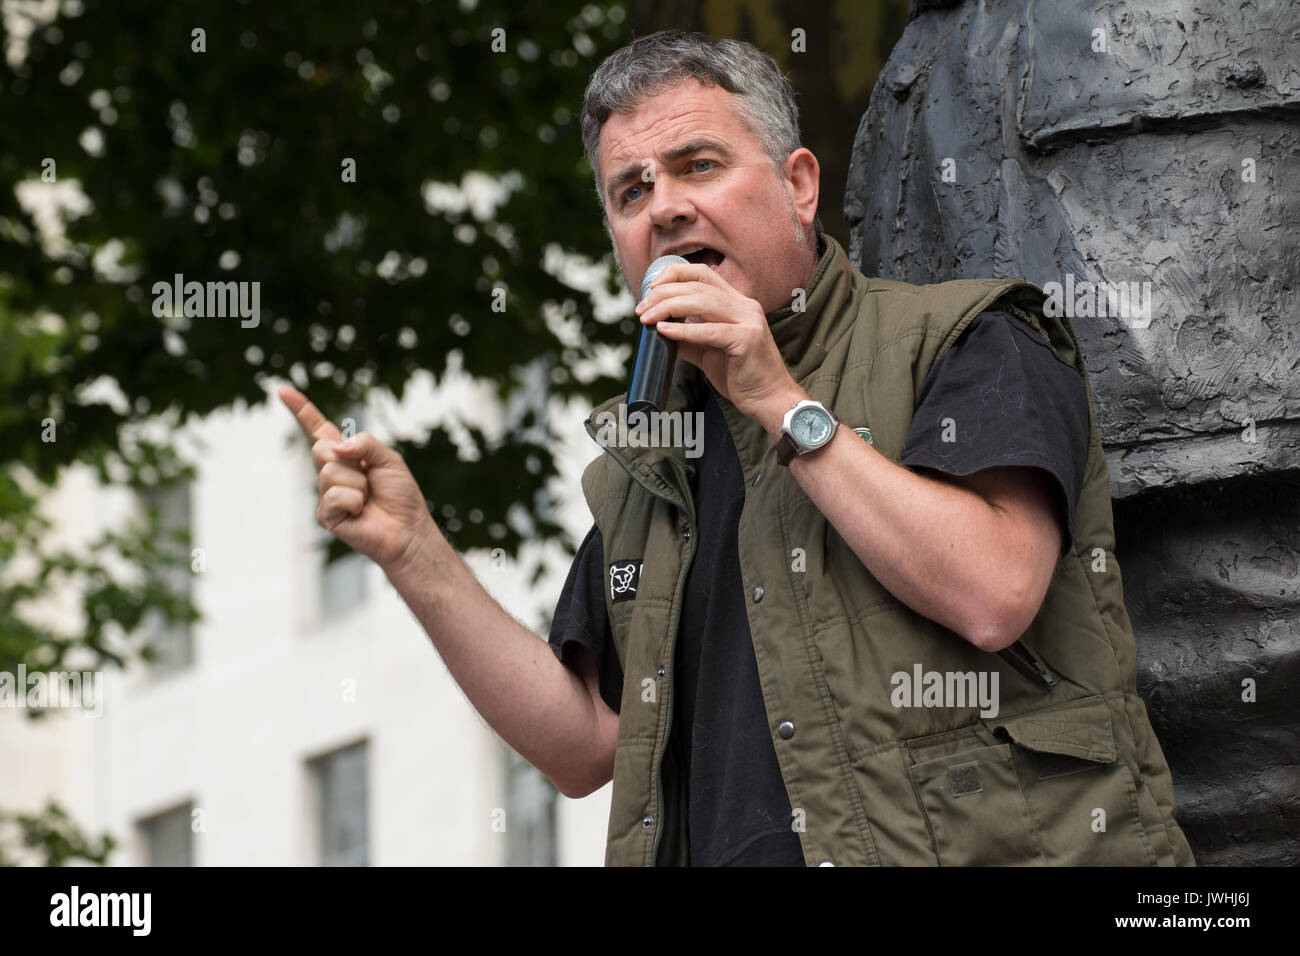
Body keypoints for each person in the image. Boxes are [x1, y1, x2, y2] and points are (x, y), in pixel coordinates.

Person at [282, 30, 1195, 868]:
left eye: (698, 165)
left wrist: (775, 398)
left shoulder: (967, 335)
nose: (666, 208)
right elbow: (585, 746)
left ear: (799, 184)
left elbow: (994, 590)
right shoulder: (649, 464)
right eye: (630, 192)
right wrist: (415, 554)